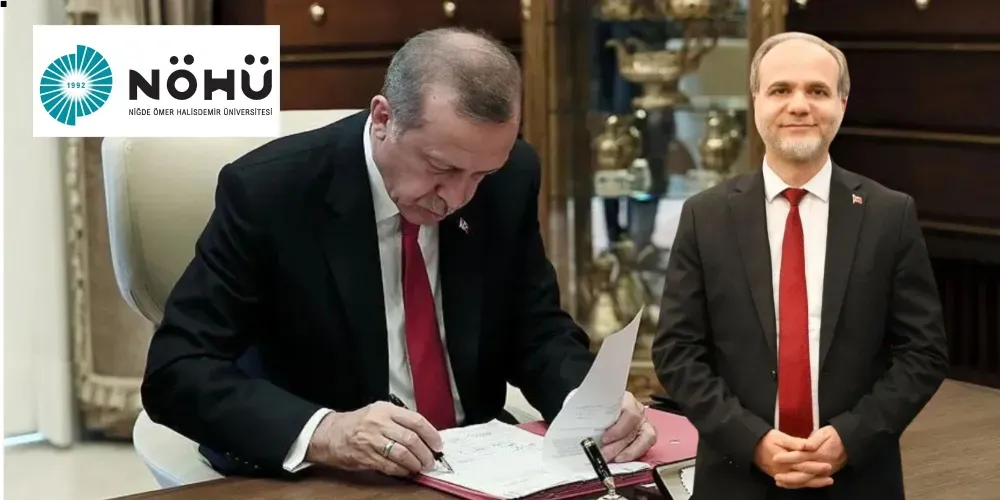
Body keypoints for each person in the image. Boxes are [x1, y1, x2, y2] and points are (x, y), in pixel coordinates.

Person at [140, 27, 656, 480]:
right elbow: (177, 369)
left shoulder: (510, 176)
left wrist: (585, 403)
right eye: (441, 168)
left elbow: (535, 327)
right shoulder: (271, 193)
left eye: (481, 175)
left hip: (478, 465)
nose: (458, 198)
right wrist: (326, 431)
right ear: (383, 118)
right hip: (331, 473)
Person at [651, 32, 948, 500]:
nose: (799, 106)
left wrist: (852, 436)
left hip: (857, 481)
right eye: (780, 90)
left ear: (842, 104)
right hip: (736, 478)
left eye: (817, 91)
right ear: (756, 102)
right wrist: (752, 441)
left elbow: (923, 353)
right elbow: (677, 351)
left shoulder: (889, 215)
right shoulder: (705, 216)